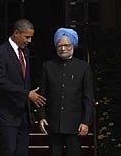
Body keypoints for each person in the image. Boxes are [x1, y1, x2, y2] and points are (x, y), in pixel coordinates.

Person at [0, 19, 46, 156]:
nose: (29, 41)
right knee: (8, 151)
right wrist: (26, 94)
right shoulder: (1, 52)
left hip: (23, 114)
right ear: (16, 33)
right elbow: (1, 81)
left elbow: (25, 80)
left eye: (31, 37)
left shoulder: (25, 52)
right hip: (7, 114)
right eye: (27, 37)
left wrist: (30, 108)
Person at [37, 28, 94, 156]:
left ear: (73, 46)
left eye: (66, 45)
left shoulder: (83, 67)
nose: (63, 49)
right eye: (60, 45)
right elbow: (42, 94)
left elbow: (88, 97)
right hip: (53, 122)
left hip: (75, 124)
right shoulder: (48, 66)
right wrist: (41, 117)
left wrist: (86, 121)